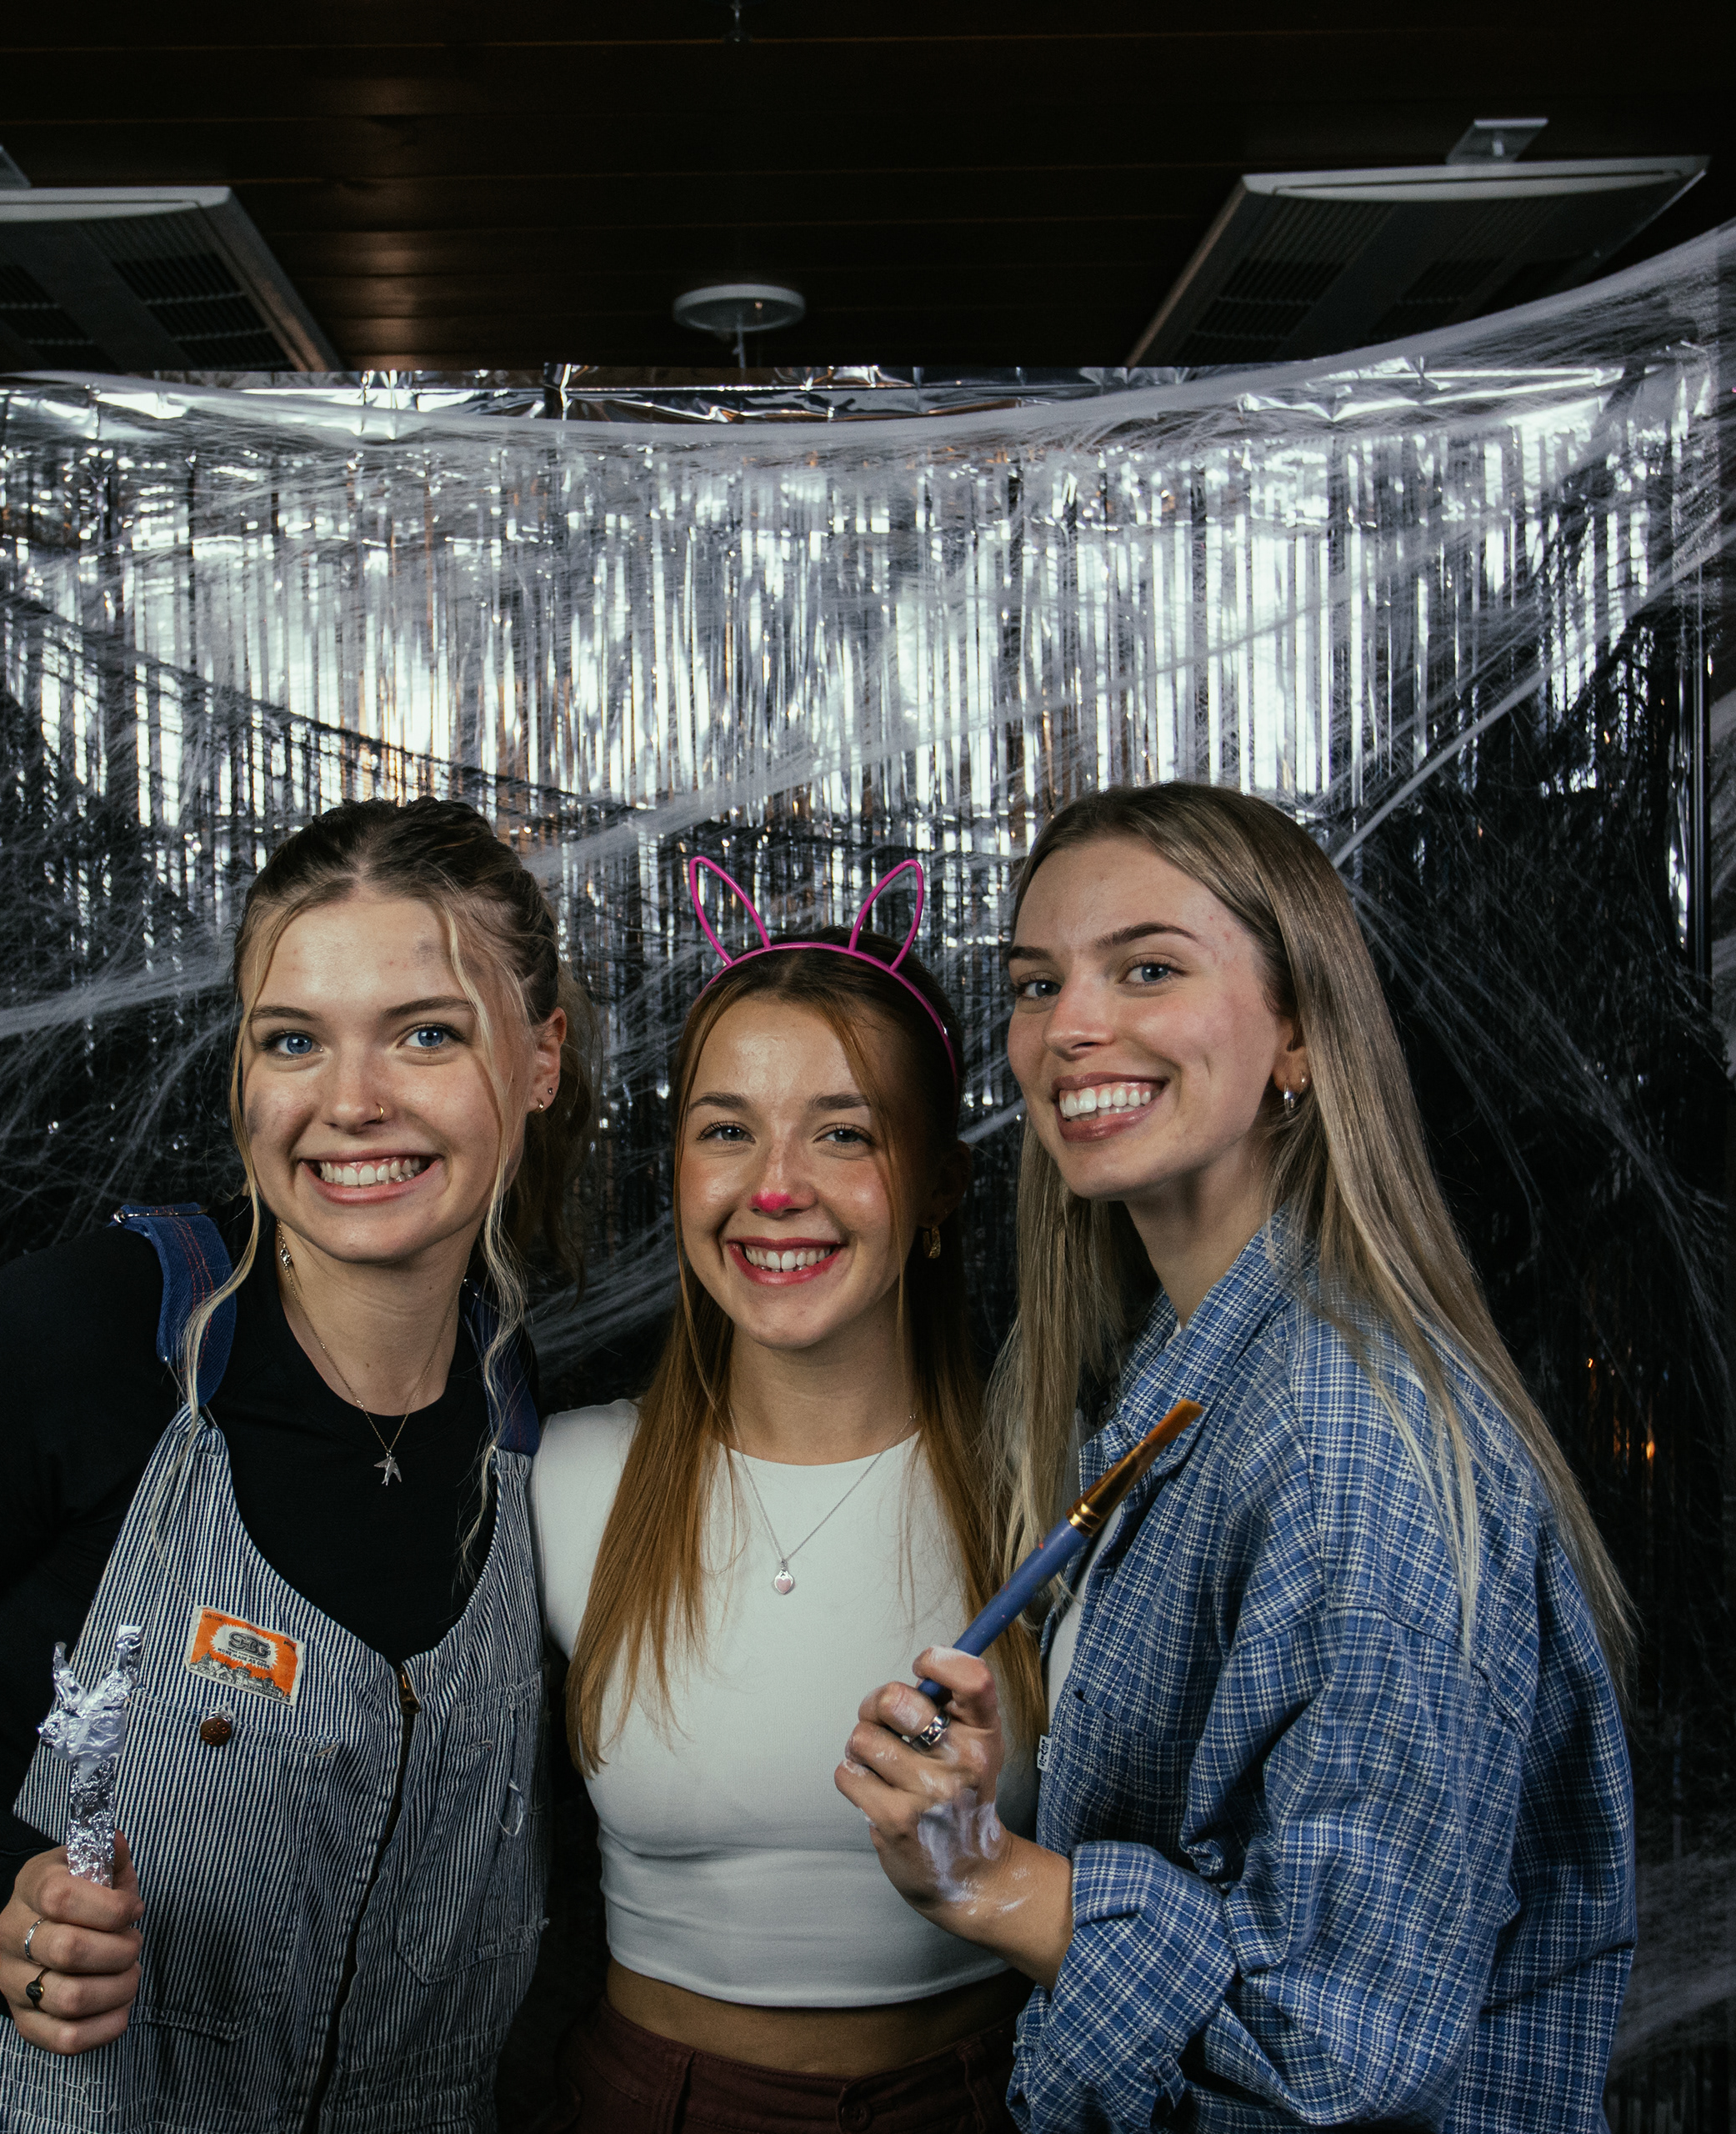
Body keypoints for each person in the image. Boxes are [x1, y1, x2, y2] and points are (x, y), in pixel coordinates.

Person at [0, 795, 594, 2131]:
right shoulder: (91, 1340)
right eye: (293, 1040)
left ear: (541, 1060)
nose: (351, 1104)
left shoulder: (528, 1425)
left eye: (426, 1034)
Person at [835, 784, 1638, 2131]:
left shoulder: (1343, 1442)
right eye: (1037, 984)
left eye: (1148, 968)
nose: (1069, 1027)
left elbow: (1335, 2052)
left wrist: (997, 1881)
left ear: (1301, 1036)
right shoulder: (1190, 1373)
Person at [528, 859, 1042, 2134]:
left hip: (986, 2102)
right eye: (726, 1130)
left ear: (941, 1188)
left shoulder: (1053, 1489)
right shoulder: (568, 1479)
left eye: (843, 1131)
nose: (773, 1188)